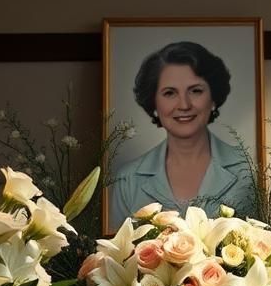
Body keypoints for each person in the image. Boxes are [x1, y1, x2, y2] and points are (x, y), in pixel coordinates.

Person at [108, 41, 256, 225]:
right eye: (170, 93)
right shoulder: (127, 180)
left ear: (213, 98)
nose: (184, 105)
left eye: (195, 91)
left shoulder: (248, 170)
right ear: (153, 103)